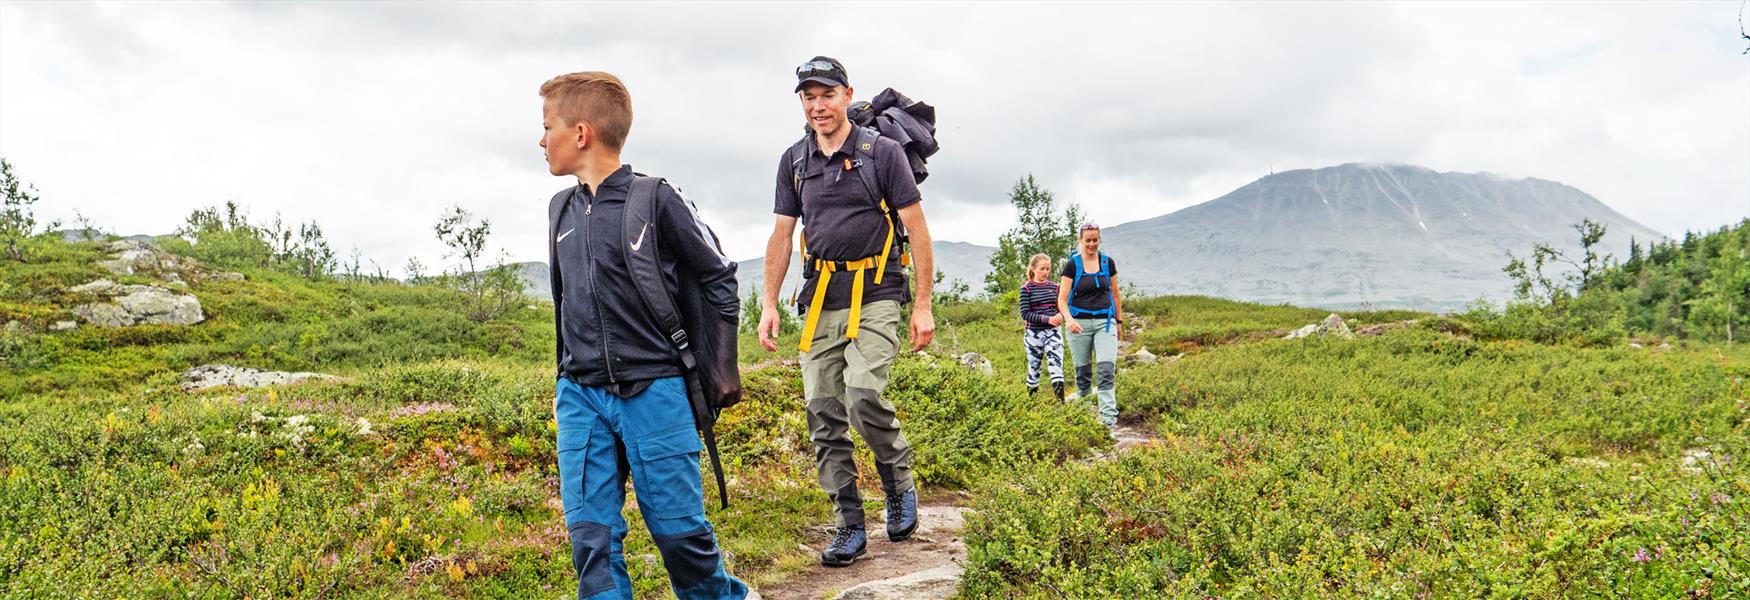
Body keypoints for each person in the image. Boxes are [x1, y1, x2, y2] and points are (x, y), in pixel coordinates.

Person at [539, 71, 750, 600]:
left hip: (655, 390)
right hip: (581, 395)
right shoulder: (559, 209)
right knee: (592, 541)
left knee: (680, 538)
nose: (541, 140)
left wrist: (722, 368)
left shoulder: (655, 199)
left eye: (548, 127)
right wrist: (567, 379)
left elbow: (718, 274)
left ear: (581, 133)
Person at [756, 56, 936, 567]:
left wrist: (921, 305)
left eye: (827, 95)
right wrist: (769, 302)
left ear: (846, 94)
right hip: (821, 298)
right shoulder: (794, 161)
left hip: (879, 290)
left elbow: (917, 229)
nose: (818, 106)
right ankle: (848, 523)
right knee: (822, 411)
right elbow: (782, 234)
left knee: (861, 393)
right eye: (808, 97)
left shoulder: (882, 154)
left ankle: (898, 479)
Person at [1057, 222, 1124, 434]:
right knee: (1083, 374)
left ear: (1100, 239)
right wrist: (1069, 319)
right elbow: (1062, 299)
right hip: (1079, 325)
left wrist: (1119, 322)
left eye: (1095, 239)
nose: (1092, 244)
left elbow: (1115, 293)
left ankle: (1108, 424)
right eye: (1088, 240)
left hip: (1105, 322)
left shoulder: (1107, 263)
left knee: (1106, 371)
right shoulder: (1072, 265)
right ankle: (1085, 420)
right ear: (1081, 240)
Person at [1019, 253, 1066, 401]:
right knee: (1034, 369)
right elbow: (1025, 313)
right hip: (1033, 334)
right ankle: (1032, 403)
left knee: (1056, 366)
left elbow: (1063, 307)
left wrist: (1061, 316)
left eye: (1048, 269)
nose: (1045, 272)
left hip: (1053, 332)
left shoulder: (1055, 287)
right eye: (1042, 269)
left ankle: (1062, 406)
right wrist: (1048, 319)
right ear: (1033, 269)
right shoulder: (1026, 289)